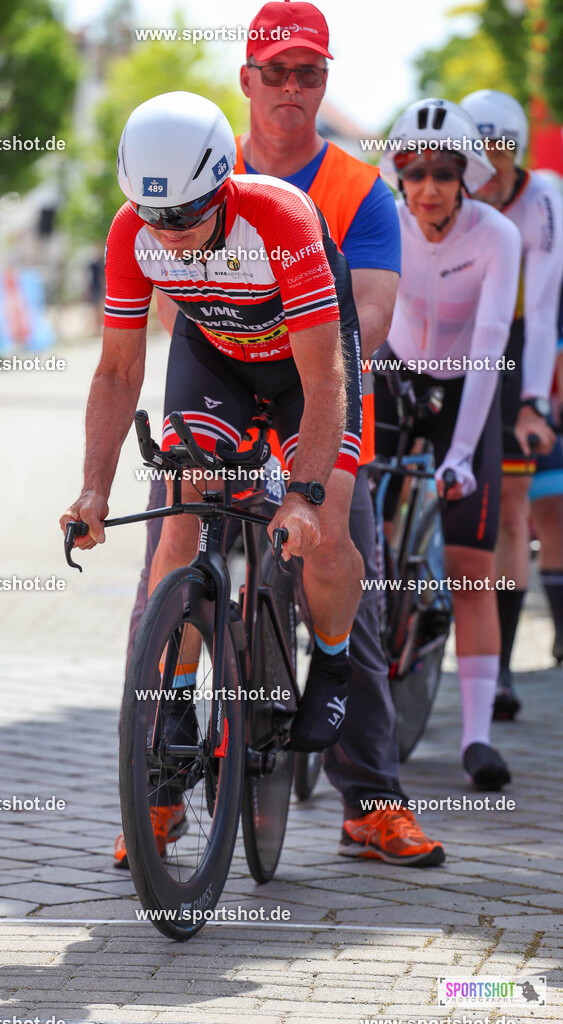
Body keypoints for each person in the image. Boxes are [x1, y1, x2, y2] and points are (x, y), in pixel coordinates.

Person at [120, 0, 445, 868]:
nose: (291, 87)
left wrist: (303, 417)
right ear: (248, 80)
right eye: (276, 72)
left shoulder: (356, 190)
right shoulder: (185, 162)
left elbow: (368, 316)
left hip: (321, 388)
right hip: (221, 385)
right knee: (166, 566)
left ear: (324, 81)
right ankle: (150, 794)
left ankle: (370, 801)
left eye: (309, 72)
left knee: (343, 570)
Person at [62, 88, 372, 862]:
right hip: (218, 363)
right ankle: (172, 711)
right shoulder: (133, 230)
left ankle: (331, 662)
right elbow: (117, 369)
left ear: (224, 181)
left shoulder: (280, 219)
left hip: (307, 367)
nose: (170, 233)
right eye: (155, 216)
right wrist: (94, 490)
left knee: (325, 525)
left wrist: (301, 492)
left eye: (187, 214)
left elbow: (324, 380)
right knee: (179, 518)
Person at [378, 98, 522, 789]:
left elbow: (492, 347)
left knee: (469, 561)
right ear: (397, 174)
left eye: (442, 170)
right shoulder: (382, 222)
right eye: (412, 169)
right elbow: (361, 313)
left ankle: (473, 737)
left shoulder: (496, 235)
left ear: (466, 175)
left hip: (467, 387)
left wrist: (461, 454)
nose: (427, 184)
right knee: (352, 530)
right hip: (392, 372)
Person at [460, 91, 563, 706]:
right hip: (451, 334)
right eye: (482, 155)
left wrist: (534, 402)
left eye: (504, 156)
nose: (492, 173)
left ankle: (496, 661)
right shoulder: (445, 183)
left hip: (518, 337)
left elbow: (545, 311)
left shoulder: (542, 198)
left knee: (513, 502)